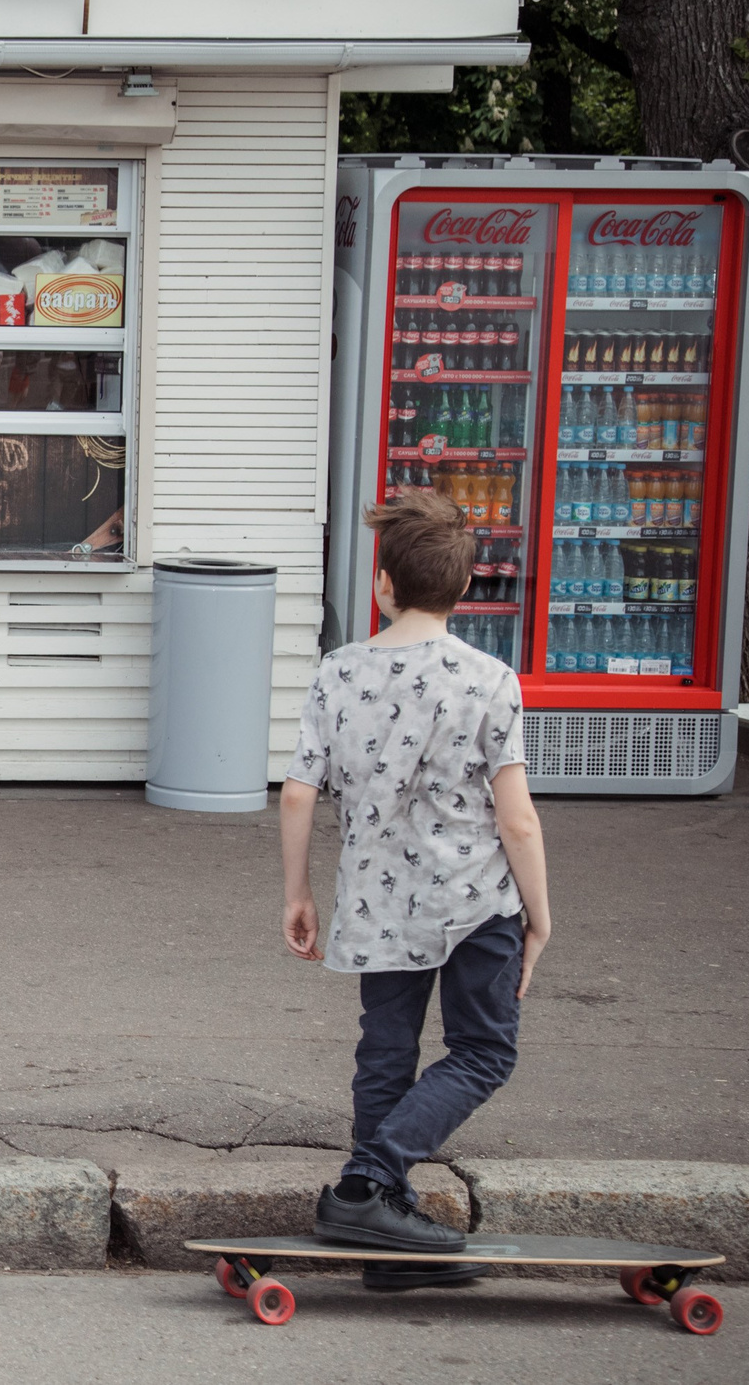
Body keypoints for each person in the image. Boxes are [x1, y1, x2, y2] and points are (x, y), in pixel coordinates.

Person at [279, 490, 554, 1289]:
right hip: (476, 902)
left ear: (383, 583)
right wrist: (540, 917)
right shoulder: (491, 679)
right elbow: (520, 821)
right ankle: (369, 1184)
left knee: (387, 1054)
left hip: (377, 900)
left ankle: (383, 1235)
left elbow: (299, 791)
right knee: (484, 1049)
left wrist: (298, 892)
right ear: (464, 587)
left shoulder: (338, 671)